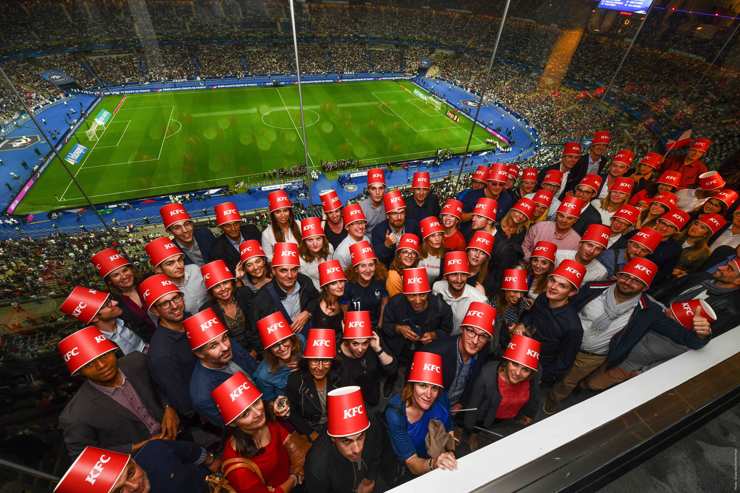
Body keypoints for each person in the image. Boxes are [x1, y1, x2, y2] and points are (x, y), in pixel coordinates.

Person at [544, 258, 710, 414]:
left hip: (590, 357)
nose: (628, 282)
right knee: (548, 367)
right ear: (619, 275)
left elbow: (690, 341)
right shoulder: (593, 288)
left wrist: (702, 334)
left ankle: (554, 398)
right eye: (626, 276)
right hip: (563, 343)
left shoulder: (649, 312)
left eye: (636, 280)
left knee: (568, 381)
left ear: (645, 287)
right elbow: (563, 307)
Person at [58, 327, 179, 458]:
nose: (101, 366)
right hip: (141, 463)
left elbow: (162, 384)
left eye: (104, 356)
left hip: (179, 436)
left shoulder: (138, 362)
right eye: (89, 365)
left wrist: (169, 407)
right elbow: (82, 456)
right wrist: (137, 447)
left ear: (114, 351)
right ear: (79, 372)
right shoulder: (76, 415)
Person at [215, 372, 304, 492]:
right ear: (233, 423)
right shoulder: (238, 469)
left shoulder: (265, 421)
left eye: (256, 402)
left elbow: (285, 438)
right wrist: (293, 479)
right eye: (246, 414)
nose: (258, 413)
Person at [384, 351, 457, 478]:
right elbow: (412, 463)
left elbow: (449, 424)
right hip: (414, 464)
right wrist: (435, 463)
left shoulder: (440, 396)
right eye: (423, 386)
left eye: (434, 387)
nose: (429, 395)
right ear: (411, 385)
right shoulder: (395, 414)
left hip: (434, 454)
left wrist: (450, 450)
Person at [463, 335, 542, 450]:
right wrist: (470, 428)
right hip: (486, 416)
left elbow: (535, 394)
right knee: (480, 427)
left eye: (525, 369)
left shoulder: (533, 375)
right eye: (515, 364)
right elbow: (473, 406)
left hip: (511, 416)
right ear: (506, 361)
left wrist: (529, 414)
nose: (518, 373)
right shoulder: (486, 375)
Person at [304, 386, 384, 493]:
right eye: (346, 441)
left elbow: (377, 452)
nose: (357, 449)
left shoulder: (372, 425)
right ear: (333, 438)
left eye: (360, 437)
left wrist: (369, 479)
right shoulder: (317, 465)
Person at [186, 308, 258, 427]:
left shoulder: (231, 345)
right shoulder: (203, 395)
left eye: (224, 338)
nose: (225, 347)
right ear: (199, 354)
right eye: (214, 346)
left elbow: (254, 369)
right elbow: (233, 426)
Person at [140, 274, 198, 418]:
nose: (174, 306)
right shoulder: (161, 353)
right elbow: (183, 403)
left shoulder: (192, 319)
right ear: (154, 310)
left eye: (176, 298)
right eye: (165, 303)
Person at [520, 260, 585, 385]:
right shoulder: (543, 297)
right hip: (522, 352)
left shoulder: (573, 327)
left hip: (538, 370)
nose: (553, 287)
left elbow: (563, 364)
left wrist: (540, 377)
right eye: (552, 280)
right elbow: (530, 315)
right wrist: (522, 324)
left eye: (562, 285)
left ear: (571, 292)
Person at [54, 444, 218, 493]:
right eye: (119, 491)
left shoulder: (156, 451)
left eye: (131, 473)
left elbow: (192, 452)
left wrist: (212, 462)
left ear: (132, 459)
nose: (134, 487)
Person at [426, 301, 494, 410]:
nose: (475, 341)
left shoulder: (483, 352)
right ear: (462, 329)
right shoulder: (434, 353)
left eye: (483, 336)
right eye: (471, 331)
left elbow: (472, 381)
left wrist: (461, 403)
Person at [382, 267, 454, 366]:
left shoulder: (441, 307)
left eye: (422, 295)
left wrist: (434, 335)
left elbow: (447, 330)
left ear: (428, 293)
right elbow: (385, 326)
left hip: (426, 355)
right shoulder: (395, 303)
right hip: (399, 354)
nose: (418, 301)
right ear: (405, 294)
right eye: (412, 296)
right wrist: (399, 328)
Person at [251, 242, 319, 337]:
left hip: (308, 332)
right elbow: (256, 334)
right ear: (273, 271)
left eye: (294, 270)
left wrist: (307, 312)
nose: (290, 276)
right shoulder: (262, 299)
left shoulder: (304, 281)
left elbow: (316, 298)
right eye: (283, 270)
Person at [286, 329, 342, 439]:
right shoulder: (295, 381)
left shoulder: (340, 376)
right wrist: (310, 433)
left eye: (326, 361)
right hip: (312, 428)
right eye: (315, 361)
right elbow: (292, 412)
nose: (320, 368)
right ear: (307, 361)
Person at [60, 286, 148, 355]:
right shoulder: (98, 345)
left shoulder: (129, 319)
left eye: (110, 299)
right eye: (107, 304)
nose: (115, 302)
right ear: (94, 318)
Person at [92, 247, 156, 339]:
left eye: (125, 270)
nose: (123, 276)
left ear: (132, 270)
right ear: (110, 281)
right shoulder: (114, 304)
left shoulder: (149, 282)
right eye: (116, 275)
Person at [336, 311, 397, 407]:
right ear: (347, 341)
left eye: (365, 343)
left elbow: (392, 369)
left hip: (371, 388)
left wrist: (378, 349)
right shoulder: (336, 354)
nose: (360, 349)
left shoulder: (373, 343)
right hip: (349, 397)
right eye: (355, 343)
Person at [199, 259, 259, 354]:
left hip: (258, 346)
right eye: (217, 286)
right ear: (211, 291)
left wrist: (255, 350)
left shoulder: (245, 293)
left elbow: (256, 323)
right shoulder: (207, 311)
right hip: (232, 354)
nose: (223, 289)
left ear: (232, 282)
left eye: (225, 283)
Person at [252, 312, 304, 411]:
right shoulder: (263, 376)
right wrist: (276, 406)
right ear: (269, 350)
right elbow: (269, 402)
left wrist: (303, 364)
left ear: (292, 340)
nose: (282, 348)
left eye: (284, 341)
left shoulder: (301, 341)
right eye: (275, 345)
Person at [145, 236, 208, 315]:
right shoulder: (157, 291)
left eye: (180, 260)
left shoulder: (195, 270)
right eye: (170, 263)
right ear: (158, 269)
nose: (179, 266)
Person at [432, 251, 487, 335]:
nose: (459, 280)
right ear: (446, 276)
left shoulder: (479, 300)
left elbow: (482, 332)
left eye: (463, 275)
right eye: (454, 274)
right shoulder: (437, 287)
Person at [343, 241, 389, 328]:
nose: (368, 270)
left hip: (375, 326)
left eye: (371, 265)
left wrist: (380, 324)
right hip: (356, 327)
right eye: (363, 266)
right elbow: (345, 311)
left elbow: (384, 299)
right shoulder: (348, 286)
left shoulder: (379, 281)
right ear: (356, 269)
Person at [371, 190, 419, 266]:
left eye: (402, 213)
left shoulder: (413, 226)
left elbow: (419, 249)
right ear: (387, 215)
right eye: (394, 213)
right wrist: (386, 245)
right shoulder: (378, 231)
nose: (399, 217)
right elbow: (379, 259)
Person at [211, 202, 261, 272]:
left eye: (236, 224)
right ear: (221, 227)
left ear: (240, 223)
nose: (233, 228)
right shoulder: (217, 250)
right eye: (228, 226)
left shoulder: (252, 231)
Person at [673, 214, 727, 278]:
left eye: (702, 227)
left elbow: (692, 273)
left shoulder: (704, 253)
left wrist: (683, 273)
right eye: (696, 224)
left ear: (706, 234)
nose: (695, 227)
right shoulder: (675, 236)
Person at [494, 268, 530, 350]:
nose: (519, 296)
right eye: (514, 291)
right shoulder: (494, 305)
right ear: (505, 290)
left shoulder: (523, 303)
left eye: (521, 292)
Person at [260, 191, 302, 261]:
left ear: (290, 211)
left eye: (285, 210)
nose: (282, 215)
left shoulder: (298, 224)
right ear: (273, 214)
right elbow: (268, 259)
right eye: (278, 212)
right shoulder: (266, 234)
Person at [298, 217, 334, 290]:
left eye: (318, 239)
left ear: (323, 239)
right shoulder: (300, 261)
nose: (315, 244)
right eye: (310, 240)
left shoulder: (329, 247)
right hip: (315, 294)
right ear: (304, 242)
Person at [313, 259, 347, 332]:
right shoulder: (323, 313)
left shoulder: (339, 299)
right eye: (334, 283)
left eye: (341, 281)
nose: (340, 286)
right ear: (326, 287)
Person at [334, 203, 371, 270]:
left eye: (362, 222)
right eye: (356, 223)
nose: (360, 226)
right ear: (347, 227)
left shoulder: (366, 239)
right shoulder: (341, 253)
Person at [385, 233, 421, 298]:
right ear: (399, 255)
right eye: (405, 252)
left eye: (413, 253)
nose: (409, 256)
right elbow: (397, 302)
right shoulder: (393, 275)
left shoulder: (415, 270)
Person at [418, 216, 446, 285]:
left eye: (439, 235)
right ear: (426, 239)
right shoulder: (417, 253)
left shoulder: (445, 256)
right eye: (433, 236)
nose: (437, 239)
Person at [359, 168, 387, 234]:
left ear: (384, 189)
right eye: (373, 189)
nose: (377, 192)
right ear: (368, 190)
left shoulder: (389, 203)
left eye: (381, 188)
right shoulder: (361, 208)